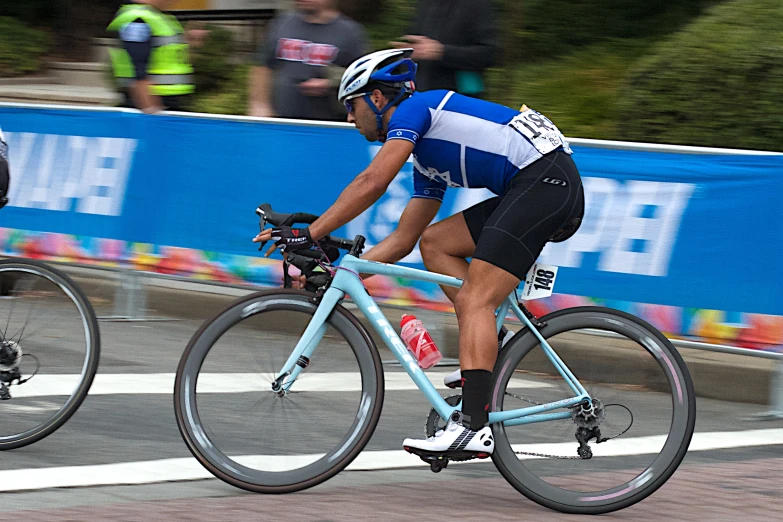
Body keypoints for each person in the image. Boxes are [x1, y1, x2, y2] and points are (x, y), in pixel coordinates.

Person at [254, 49, 584, 459]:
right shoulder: (426, 156)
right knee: (435, 242)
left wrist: (311, 234)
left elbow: (373, 180)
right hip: (540, 183)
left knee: (476, 297)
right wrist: (344, 275)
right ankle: (487, 345)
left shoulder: (416, 110)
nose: (349, 118)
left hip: (546, 183)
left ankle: (472, 428)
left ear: (377, 99)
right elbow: (404, 240)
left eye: (352, 105)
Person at [248, 0, 367, 121]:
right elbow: (263, 66)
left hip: (327, 122)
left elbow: (363, 76)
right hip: (281, 120)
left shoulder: (349, 32)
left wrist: (330, 83)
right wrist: (260, 104)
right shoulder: (282, 24)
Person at [392, 0, 499, 98]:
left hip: (460, 102)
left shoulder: (476, 4)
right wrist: (407, 52)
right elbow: (419, 47)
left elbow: (489, 54)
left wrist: (442, 52)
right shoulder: (425, 4)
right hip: (421, 99)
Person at [107, 0, 195, 113]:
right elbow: (138, 71)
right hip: (151, 103)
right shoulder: (138, 19)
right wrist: (150, 111)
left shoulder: (157, 16)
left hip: (166, 103)